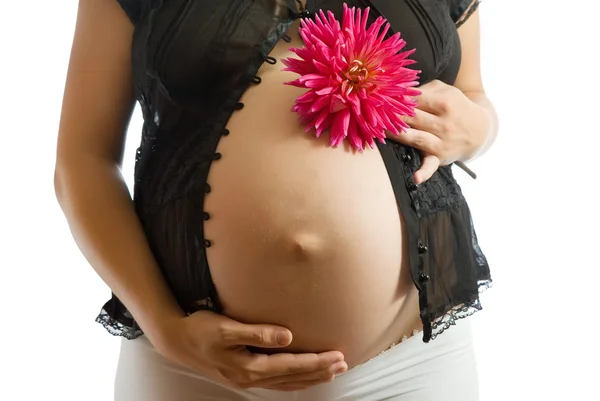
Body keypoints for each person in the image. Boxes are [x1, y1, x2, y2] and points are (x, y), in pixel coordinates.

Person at [54, 0, 498, 400]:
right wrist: (166, 329)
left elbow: (471, 93)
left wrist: (480, 129)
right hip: (189, 371)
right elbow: (83, 161)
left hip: (409, 366)